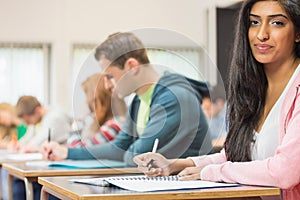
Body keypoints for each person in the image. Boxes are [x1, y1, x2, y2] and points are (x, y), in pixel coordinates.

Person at [134, 0, 300, 199]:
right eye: (254, 22)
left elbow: (285, 171)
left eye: (277, 23)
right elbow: (235, 157)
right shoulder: (253, 90)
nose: (261, 34)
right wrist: (177, 165)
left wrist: (212, 173)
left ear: (298, 32)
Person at [42, 32, 213, 166]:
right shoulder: (138, 102)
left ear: (131, 66)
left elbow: (135, 156)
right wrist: (67, 153)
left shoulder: (175, 97)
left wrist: (128, 152)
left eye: (110, 76)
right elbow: (118, 148)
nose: (107, 85)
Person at [68, 73, 126, 147]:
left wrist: (79, 122)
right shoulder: (102, 123)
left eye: (88, 96)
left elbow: (77, 148)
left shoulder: (115, 125)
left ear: (98, 100)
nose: (87, 101)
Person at [201, 84, 227, 149]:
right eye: (204, 109)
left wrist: (209, 144)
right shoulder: (212, 117)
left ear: (219, 103)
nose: (206, 112)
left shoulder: (233, 114)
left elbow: (230, 140)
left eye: (208, 108)